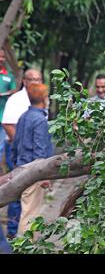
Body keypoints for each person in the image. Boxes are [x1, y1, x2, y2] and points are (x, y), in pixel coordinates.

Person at [2, 68, 43, 238]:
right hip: (19, 152)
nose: (35, 82)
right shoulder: (16, 99)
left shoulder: (40, 98)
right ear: (24, 81)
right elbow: (7, 124)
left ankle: (23, 234)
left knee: (29, 194)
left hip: (33, 154)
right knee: (16, 191)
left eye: (38, 79)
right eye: (32, 79)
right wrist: (21, 146)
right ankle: (13, 232)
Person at [11, 83, 54, 236]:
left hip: (21, 169)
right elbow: (40, 150)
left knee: (27, 210)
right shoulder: (40, 120)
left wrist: (15, 165)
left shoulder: (24, 117)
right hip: (33, 173)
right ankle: (23, 247)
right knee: (30, 214)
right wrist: (43, 176)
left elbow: (15, 145)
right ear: (44, 98)